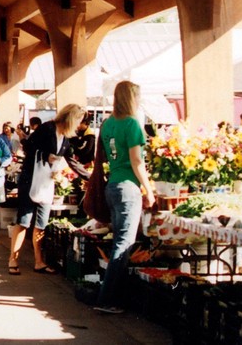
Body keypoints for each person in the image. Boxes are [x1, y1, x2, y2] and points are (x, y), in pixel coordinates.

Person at [95, 81, 155, 314]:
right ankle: (106, 299)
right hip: (128, 187)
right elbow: (137, 162)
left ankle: (110, 295)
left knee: (118, 242)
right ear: (132, 98)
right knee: (124, 243)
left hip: (113, 186)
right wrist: (148, 190)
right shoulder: (132, 124)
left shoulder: (108, 124)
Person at [8, 104, 86, 276]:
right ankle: (13, 259)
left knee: (41, 223)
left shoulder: (64, 138)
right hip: (31, 180)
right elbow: (28, 146)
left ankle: (39, 261)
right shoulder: (47, 128)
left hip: (46, 183)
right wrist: (45, 156)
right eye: (78, 120)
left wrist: (90, 177)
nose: (79, 124)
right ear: (70, 118)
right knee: (24, 221)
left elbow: (71, 160)